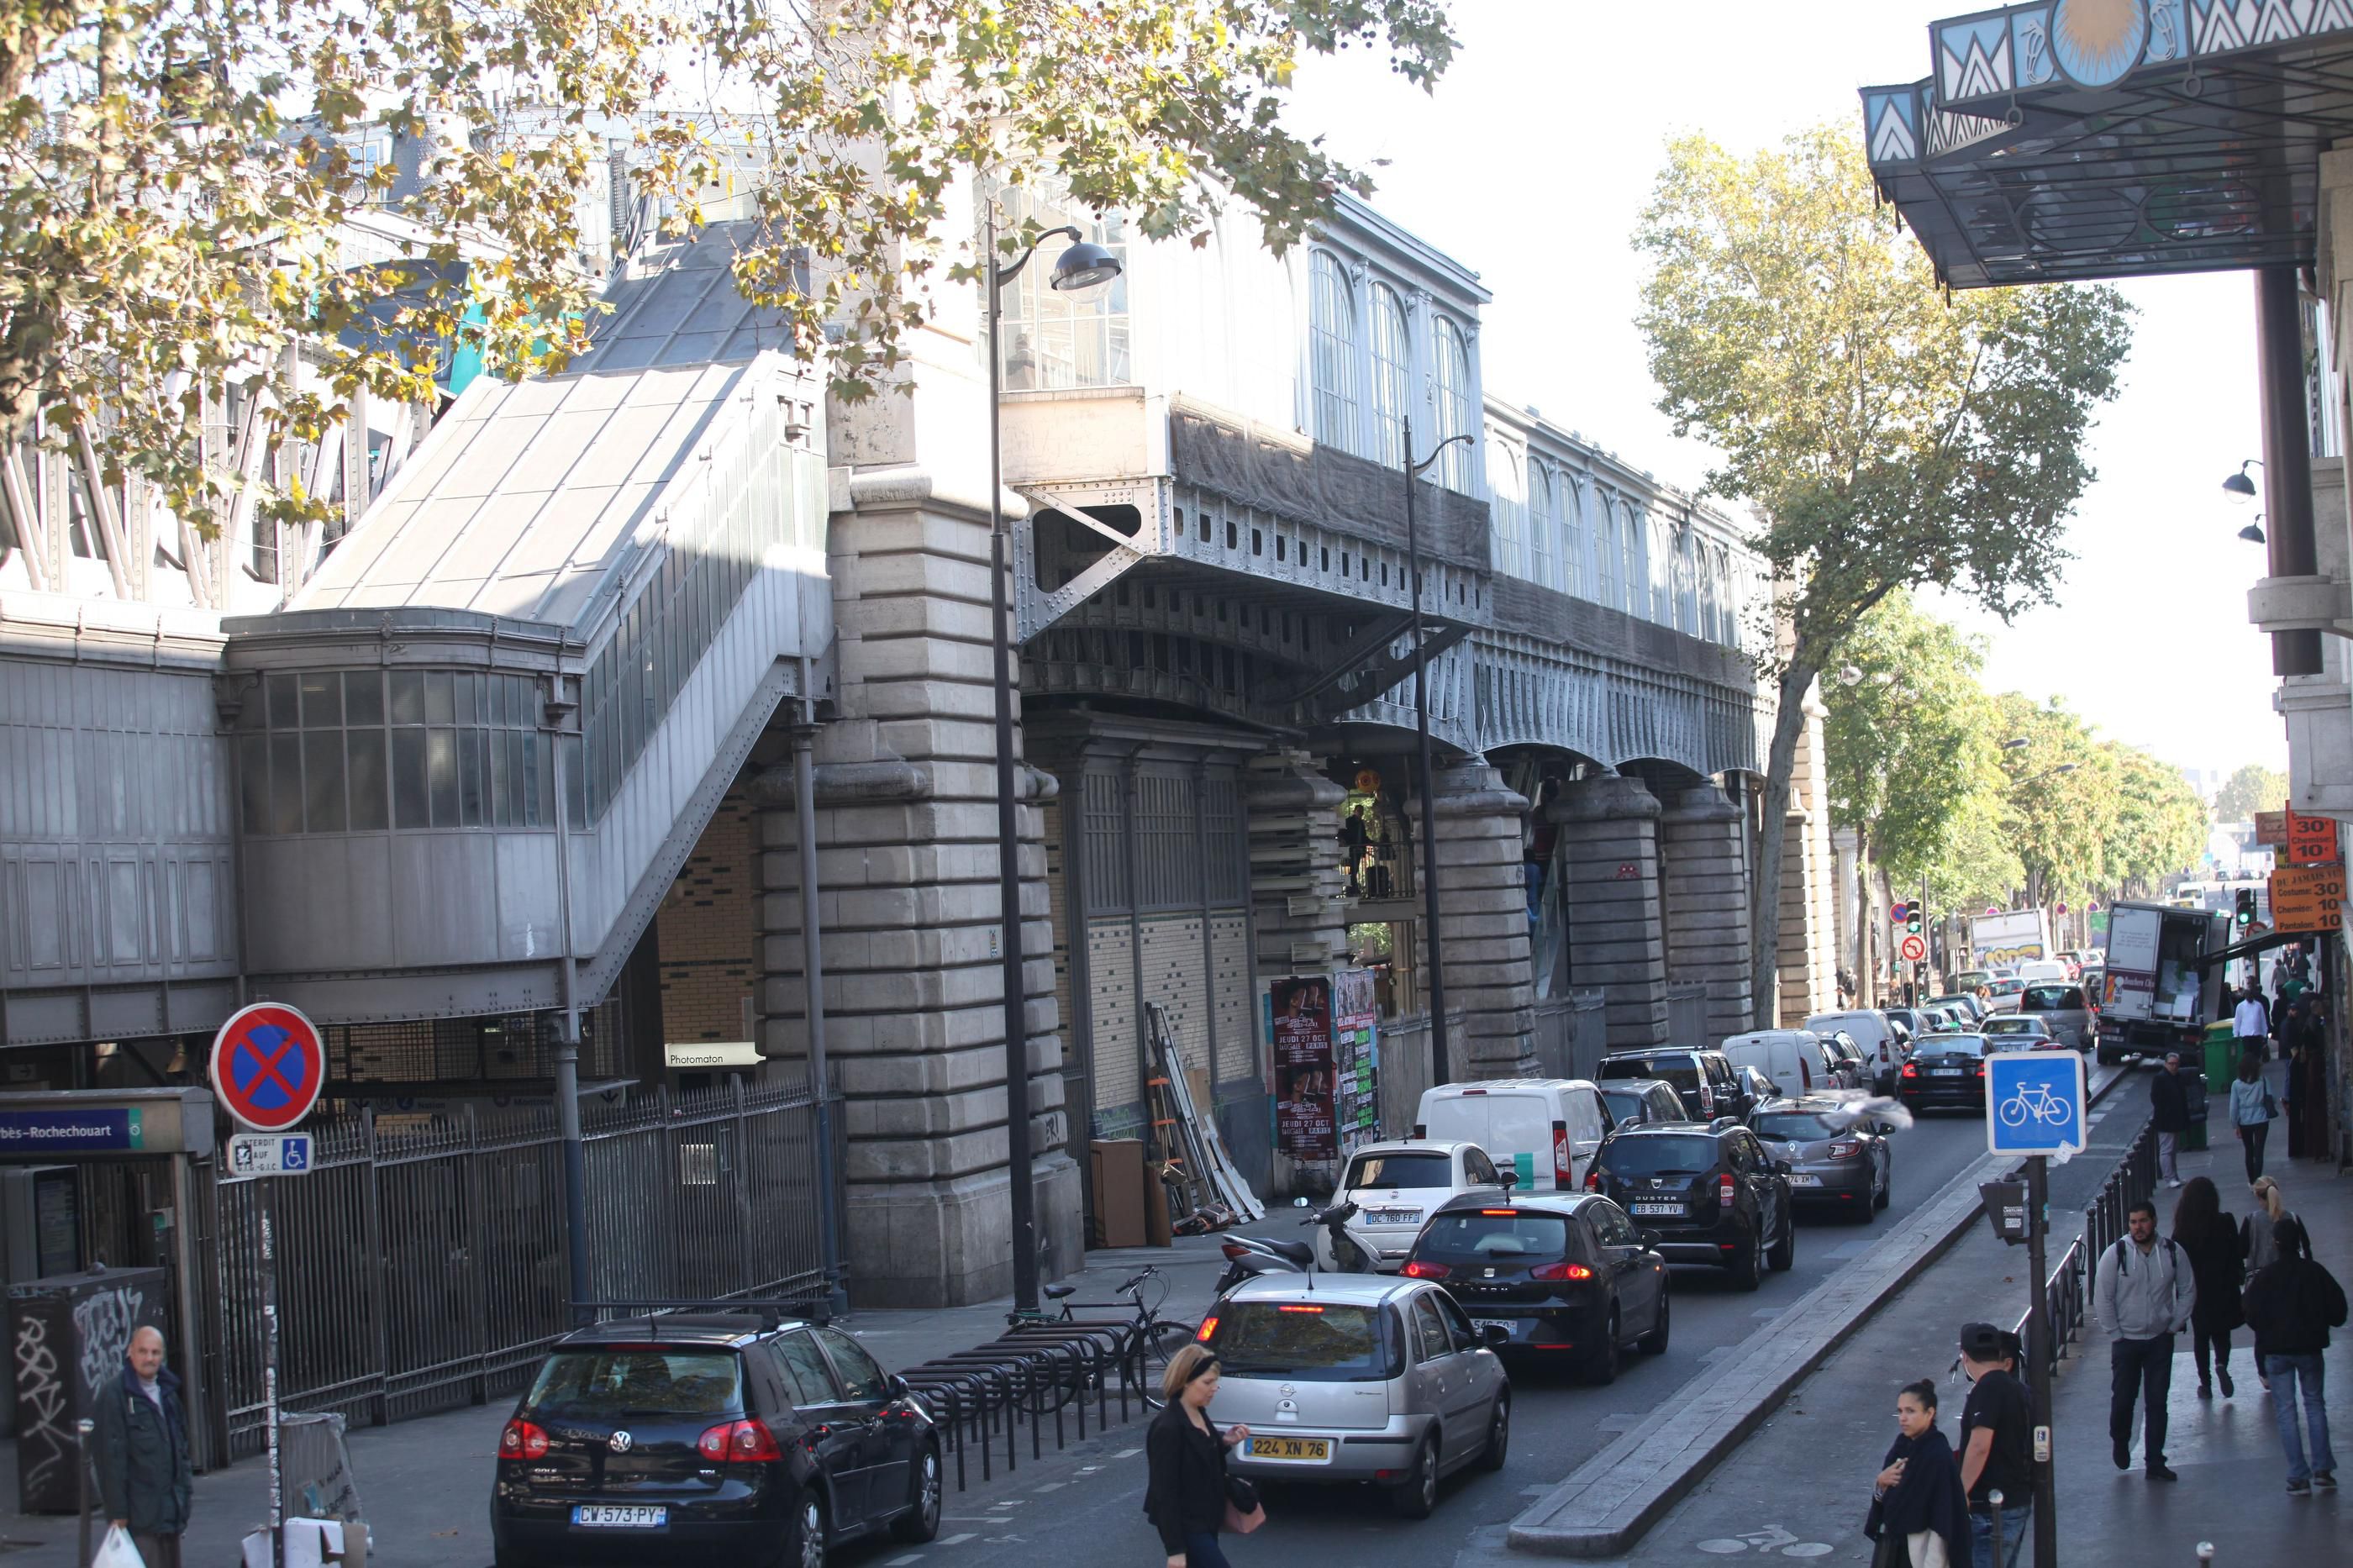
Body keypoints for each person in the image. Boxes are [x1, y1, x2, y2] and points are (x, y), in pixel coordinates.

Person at [2241, 1217, 2349, 1495]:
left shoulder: (2265, 1278)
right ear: (2299, 1242)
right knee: (2315, 1405)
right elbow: (2338, 1309)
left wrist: (2267, 1331)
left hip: (2277, 1351)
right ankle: (2323, 1469)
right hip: (2310, 1347)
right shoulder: (2314, 1272)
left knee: (2286, 1412)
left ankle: (2297, 1475)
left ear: (2275, 1244)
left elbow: (2250, 1312)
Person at [2092, 1199, 2196, 1480]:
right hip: (2126, 1341)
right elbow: (2102, 1297)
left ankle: (2154, 1461)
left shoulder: (2173, 1252)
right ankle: (2120, 1439)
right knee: (2124, 1399)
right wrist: (2115, 1333)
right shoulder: (2116, 1254)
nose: (2138, 1227)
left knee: (2157, 1402)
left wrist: (2174, 1324)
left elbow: (2187, 1289)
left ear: (2154, 1220)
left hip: (2160, 1339)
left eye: (2143, 1221)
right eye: (2133, 1222)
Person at [92, 1325, 193, 1568]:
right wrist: (118, 1513)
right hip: (139, 1518)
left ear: (163, 1355)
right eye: (143, 1351)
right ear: (130, 1352)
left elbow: (181, 1451)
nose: (149, 1358)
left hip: (170, 1513)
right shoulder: (115, 1396)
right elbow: (110, 1459)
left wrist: (184, 1499)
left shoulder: (168, 1394)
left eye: (155, 1352)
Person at [1145, 1344, 1250, 1568]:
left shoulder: (1197, 1412)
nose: (1214, 1389)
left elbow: (1197, 1455)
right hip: (1187, 1525)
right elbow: (1164, 1492)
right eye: (1207, 1382)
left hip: (1207, 1518)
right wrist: (1175, 1551)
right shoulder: (1168, 1427)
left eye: (1215, 1382)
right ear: (1185, 1380)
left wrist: (1223, 1442)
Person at [1866, 1379, 1972, 1568]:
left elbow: (1943, 1519)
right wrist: (1880, 1485)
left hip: (1921, 1554)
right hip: (1895, 1548)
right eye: (1900, 1411)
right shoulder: (1902, 1445)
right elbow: (1888, 1499)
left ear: (1930, 1413)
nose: (1903, 1418)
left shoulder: (1937, 1454)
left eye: (1910, 1411)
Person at [1955, 1323, 2035, 1566]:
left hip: (1991, 1506)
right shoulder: (2017, 1388)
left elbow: (1980, 1446)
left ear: (1965, 1357)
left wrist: (1961, 1491)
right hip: (2016, 1498)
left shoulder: (1987, 1389)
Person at [2171, 1176, 2245, 1397]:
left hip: (2198, 1291)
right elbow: (2237, 1252)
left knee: (2201, 1337)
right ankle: (2221, 1363)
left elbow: (2178, 1267)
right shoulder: (2226, 1221)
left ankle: (2205, 1383)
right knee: (2222, 1333)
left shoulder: (2182, 1232)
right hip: (2224, 1286)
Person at [2229, 1055, 2278, 1185]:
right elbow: (2272, 1098)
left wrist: (2235, 1125)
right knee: (2259, 1151)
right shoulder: (2263, 1080)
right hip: (2261, 1119)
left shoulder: (2236, 1085)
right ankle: (2258, 1180)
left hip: (2244, 1121)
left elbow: (2233, 1108)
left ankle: (2251, 1181)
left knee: (2249, 1151)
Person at [2149, 1052, 2192, 1188]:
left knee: (2172, 1150)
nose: (2174, 1066)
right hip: (2166, 1120)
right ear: (2166, 1064)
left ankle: (2174, 1176)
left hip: (2176, 1119)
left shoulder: (2177, 1077)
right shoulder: (2161, 1078)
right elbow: (2156, 1099)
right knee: (2167, 1150)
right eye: (2171, 1064)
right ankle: (2169, 1177)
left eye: (2176, 1064)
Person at [2234, 984, 2271, 1067]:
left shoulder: (2258, 1005)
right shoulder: (2240, 1006)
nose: (2249, 997)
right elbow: (2237, 1021)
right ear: (2245, 996)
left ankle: (2255, 1067)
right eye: (2247, 996)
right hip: (2246, 1034)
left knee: (2257, 1053)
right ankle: (2249, 1067)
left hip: (2257, 1034)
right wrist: (2236, 1034)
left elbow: (2263, 1020)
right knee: (2248, 1053)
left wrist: (2265, 1034)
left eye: (2250, 995)